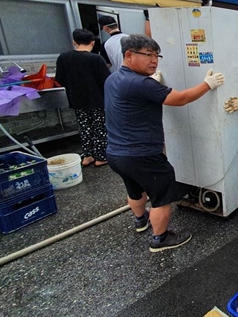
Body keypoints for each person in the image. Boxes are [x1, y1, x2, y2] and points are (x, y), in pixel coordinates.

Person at [104, 34, 225, 253]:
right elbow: (180, 99)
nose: (154, 60)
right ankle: (159, 239)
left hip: (116, 153)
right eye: (147, 55)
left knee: (135, 189)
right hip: (142, 154)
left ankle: (141, 221)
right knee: (161, 195)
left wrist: (154, 85)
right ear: (129, 55)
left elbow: (134, 100)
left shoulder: (113, 79)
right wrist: (207, 84)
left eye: (156, 55)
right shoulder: (141, 83)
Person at [55, 29, 110, 168]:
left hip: (77, 100)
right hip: (96, 99)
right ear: (92, 42)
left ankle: (87, 156)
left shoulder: (63, 57)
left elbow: (59, 79)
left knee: (84, 126)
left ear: (74, 42)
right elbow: (106, 80)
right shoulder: (96, 58)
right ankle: (101, 157)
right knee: (100, 127)